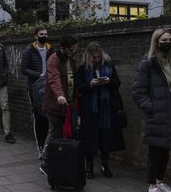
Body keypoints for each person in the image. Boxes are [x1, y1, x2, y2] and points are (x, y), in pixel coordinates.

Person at [133, 28, 171, 192]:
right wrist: (153, 108)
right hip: (157, 112)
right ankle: (152, 185)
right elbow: (138, 93)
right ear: (156, 42)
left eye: (170, 40)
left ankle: (160, 180)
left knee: (165, 150)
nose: (168, 43)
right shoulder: (148, 63)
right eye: (164, 40)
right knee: (155, 151)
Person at [75, 42, 125, 179]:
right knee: (89, 138)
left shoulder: (109, 65)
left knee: (106, 137)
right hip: (90, 109)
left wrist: (109, 81)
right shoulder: (83, 68)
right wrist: (90, 84)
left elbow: (117, 84)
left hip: (107, 109)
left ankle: (105, 165)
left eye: (98, 57)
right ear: (89, 57)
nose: (96, 60)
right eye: (94, 58)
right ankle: (89, 167)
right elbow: (78, 87)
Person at [41, 35, 79, 174]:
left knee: (65, 133)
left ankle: (59, 159)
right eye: (70, 49)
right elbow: (54, 79)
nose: (72, 52)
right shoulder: (54, 60)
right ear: (62, 48)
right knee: (54, 132)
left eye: (74, 49)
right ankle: (45, 161)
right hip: (54, 104)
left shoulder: (71, 59)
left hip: (68, 104)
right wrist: (60, 95)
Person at [21, 26, 54, 158]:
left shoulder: (51, 49)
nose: (44, 36)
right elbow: (24, 69)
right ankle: (40, 146)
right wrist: (39, 75)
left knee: (48, 117)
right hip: (34, 88)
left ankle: (48, 145)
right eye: (41, 34)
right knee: (38, 117)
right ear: (36, 36)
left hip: (48, 87)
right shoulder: (29, 50)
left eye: (46, 33)